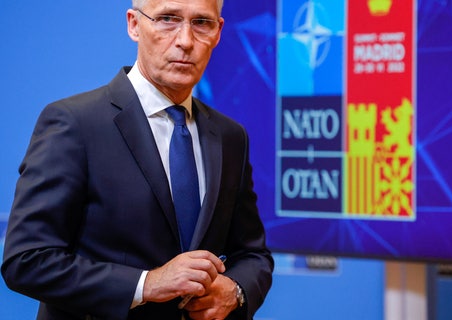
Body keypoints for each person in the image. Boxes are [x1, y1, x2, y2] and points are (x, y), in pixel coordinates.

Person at [1, 0, 273, 319]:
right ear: (134, 24)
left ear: (218, 32)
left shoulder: (230, 137)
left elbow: (253, 254)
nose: (185, 40)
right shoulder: (74, 124)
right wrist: (147, 284)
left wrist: (235, 290)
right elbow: (27, 260)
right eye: (167, 19)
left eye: (201, 23)